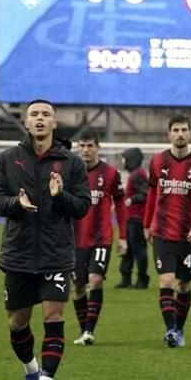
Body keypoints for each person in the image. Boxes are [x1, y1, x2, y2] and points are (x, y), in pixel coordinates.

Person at [0, 99, 90, 380]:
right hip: (18, 253)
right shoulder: (7, 159)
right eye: (35, 115)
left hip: (56, 254)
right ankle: (31, 370)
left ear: (55, 122)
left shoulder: (72, 164)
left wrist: (60, 197)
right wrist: (15, 204)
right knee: (17, 322)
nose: (40, 119)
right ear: (27, 123)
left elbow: (82, 206)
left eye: (46, 114)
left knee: (53, 314)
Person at [143, 115, 191, 348]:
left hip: (189, 235)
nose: (180, 133)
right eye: (175, 129)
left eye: (184, 129)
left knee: (184, 285)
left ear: (190, 133)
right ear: (169, 134)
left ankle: (179, 329)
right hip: (163, 232)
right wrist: (147, 224)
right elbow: (152, 195)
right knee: (166, 281)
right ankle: (171, 330)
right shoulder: (157, 162)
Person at [71, 132, 127, 346]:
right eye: (82, 145)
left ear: (98, 147)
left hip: (101, 237)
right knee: (78, 287)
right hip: (76, 239)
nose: (86, 150)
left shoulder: (111, 173)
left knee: (95, 280)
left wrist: (123, 237)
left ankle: (89, 332)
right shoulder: (70, 173)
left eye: (90, 146)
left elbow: (120, 205)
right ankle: (83, 328)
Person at [116, 147, 150, 289]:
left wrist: (132, 199)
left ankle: (142, 279)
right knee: (128, 250)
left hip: (137, 219)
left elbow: (146, 194)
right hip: (131, 218)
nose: (123, 161)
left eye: (125, 158)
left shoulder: (138, 175)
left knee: (138, 250)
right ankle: (126, 278)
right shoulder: (135, 174)